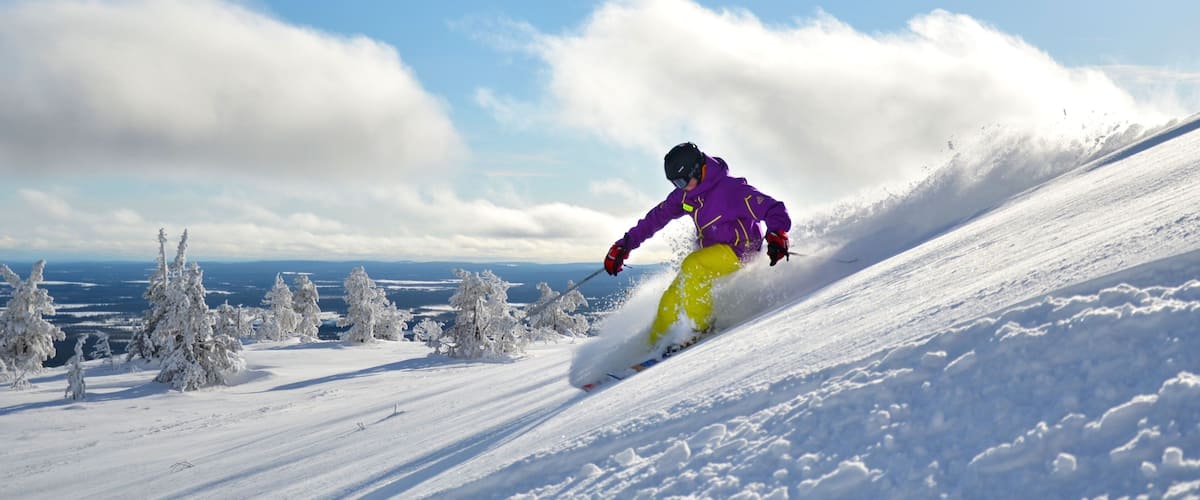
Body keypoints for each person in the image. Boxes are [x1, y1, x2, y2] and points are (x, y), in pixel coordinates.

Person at [604, 142, 791, 349]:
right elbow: (656, 218)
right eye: (675, 183)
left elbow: (773, 208)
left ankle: (701, 330)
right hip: (710, 256)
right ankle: (650, 348)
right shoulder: (686, 195)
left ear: (699, 169)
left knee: (693, 265)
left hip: (741, 251)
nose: (681, 187)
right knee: (670, 301)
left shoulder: (730, 190)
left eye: (683, 180)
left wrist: (776, 234)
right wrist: (626, 244)